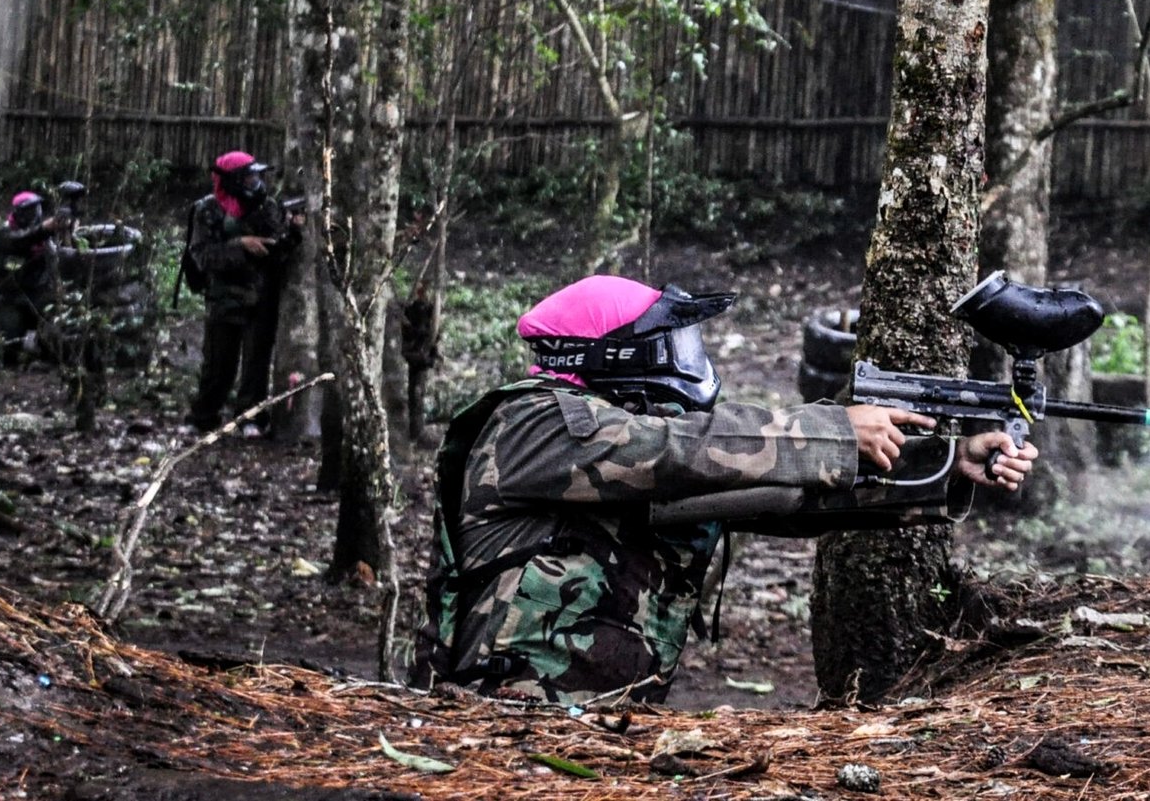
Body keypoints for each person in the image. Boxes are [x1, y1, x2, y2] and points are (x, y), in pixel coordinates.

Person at [411, 274, 1038, 705]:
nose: (690, 360)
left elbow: (781, 492)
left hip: (592, 725)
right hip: (501, 720)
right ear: (615, 358)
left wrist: (946, 462)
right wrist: (835, 428)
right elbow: (674, 450)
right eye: (672, 344)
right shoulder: (535, 422)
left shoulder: (627, 452)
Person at [183, 150, 304, 436]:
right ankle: (203, 416)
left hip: (261, 297)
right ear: (234, 181)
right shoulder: (208, 210)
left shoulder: (268, 207)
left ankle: (250, 417)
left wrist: (293, 233)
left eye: (257, 176)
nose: (256, 182)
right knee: (218, 365)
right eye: (249, 177)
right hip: (224, 297)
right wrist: (241, 245)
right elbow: (203, 256)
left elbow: (278, 251)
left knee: (256, 364)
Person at [0, 190, 62, 356]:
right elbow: (23, 239)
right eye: (29, 210)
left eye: (36, 209)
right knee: (6, 350)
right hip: (9, 298)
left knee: (53, 342)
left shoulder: (44, 235)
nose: (34, 214)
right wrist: (46, 229)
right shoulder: (4, 233)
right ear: (18, 213)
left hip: (38, 294)